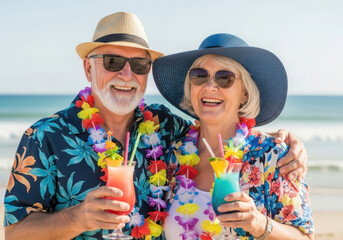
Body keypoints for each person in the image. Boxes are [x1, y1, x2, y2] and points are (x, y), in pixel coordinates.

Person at [4, 12, 307, 240]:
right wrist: (78, 218)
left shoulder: (164, 129)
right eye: (112, 62)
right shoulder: (45, 137)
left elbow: (219, 128)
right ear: (88, 67)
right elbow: (14, 233)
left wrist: (284, 144)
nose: (126, 74)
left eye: (138, 65)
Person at [152, 33, 314, 239]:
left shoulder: (272, 155)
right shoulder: (174, 154)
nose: (210, 86)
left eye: (224, 78)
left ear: (244, 93)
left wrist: (259, 223)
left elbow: (305, 237)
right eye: (199, 76)